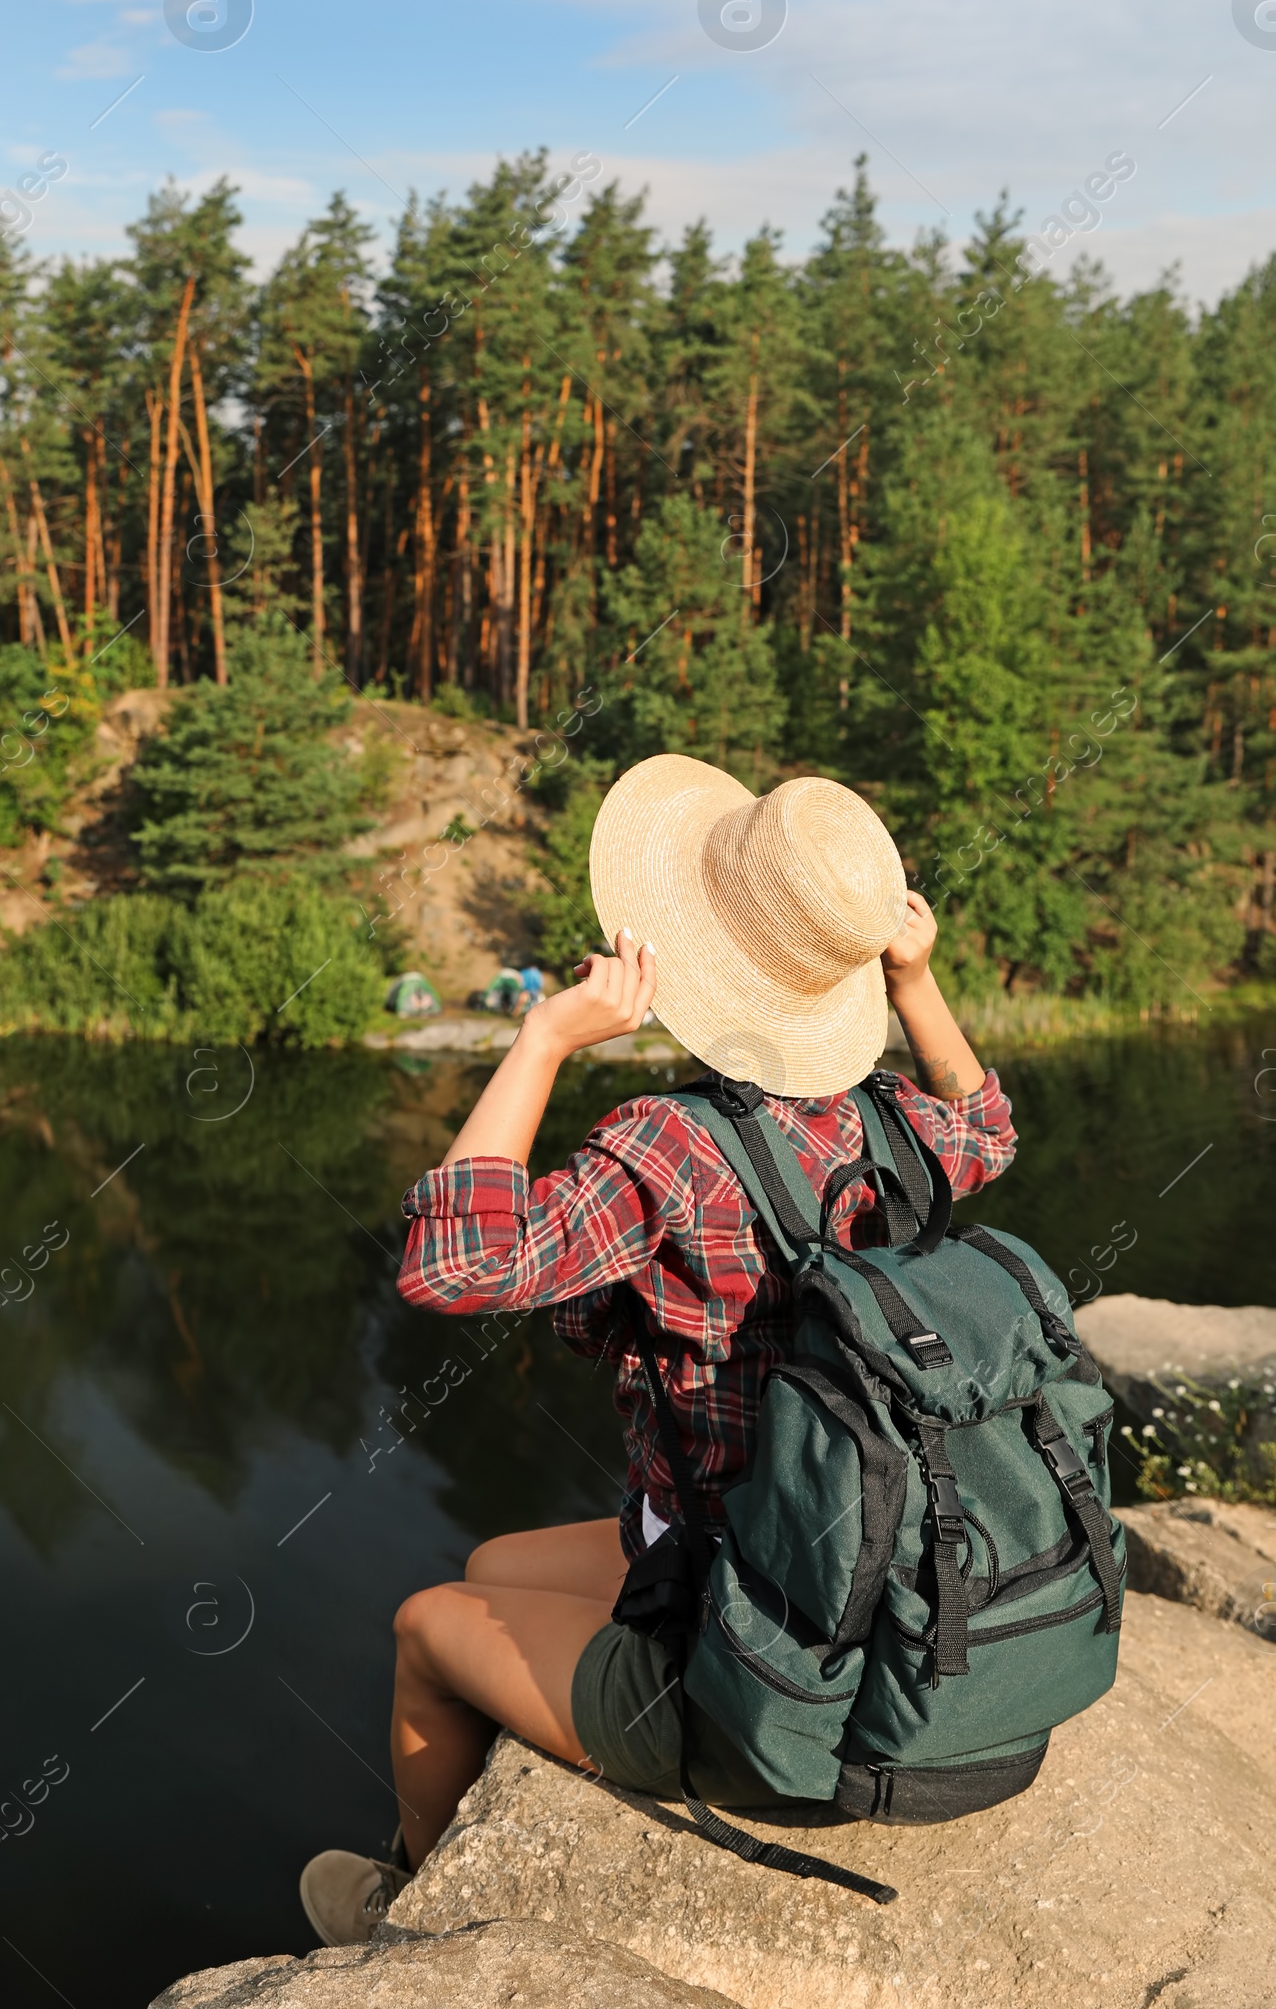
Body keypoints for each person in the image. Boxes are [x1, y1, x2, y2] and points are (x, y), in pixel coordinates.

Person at [299, 757, 1017, 1946]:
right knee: (489, 1556)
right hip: (852, 1563)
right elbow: (986, 1126)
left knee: (427, 1624)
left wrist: (540, 1042)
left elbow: (455, 1265)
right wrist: (919, 983)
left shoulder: (670, 1148)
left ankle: (404, 1916)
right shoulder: (888, 1118)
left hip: (758, 1648)